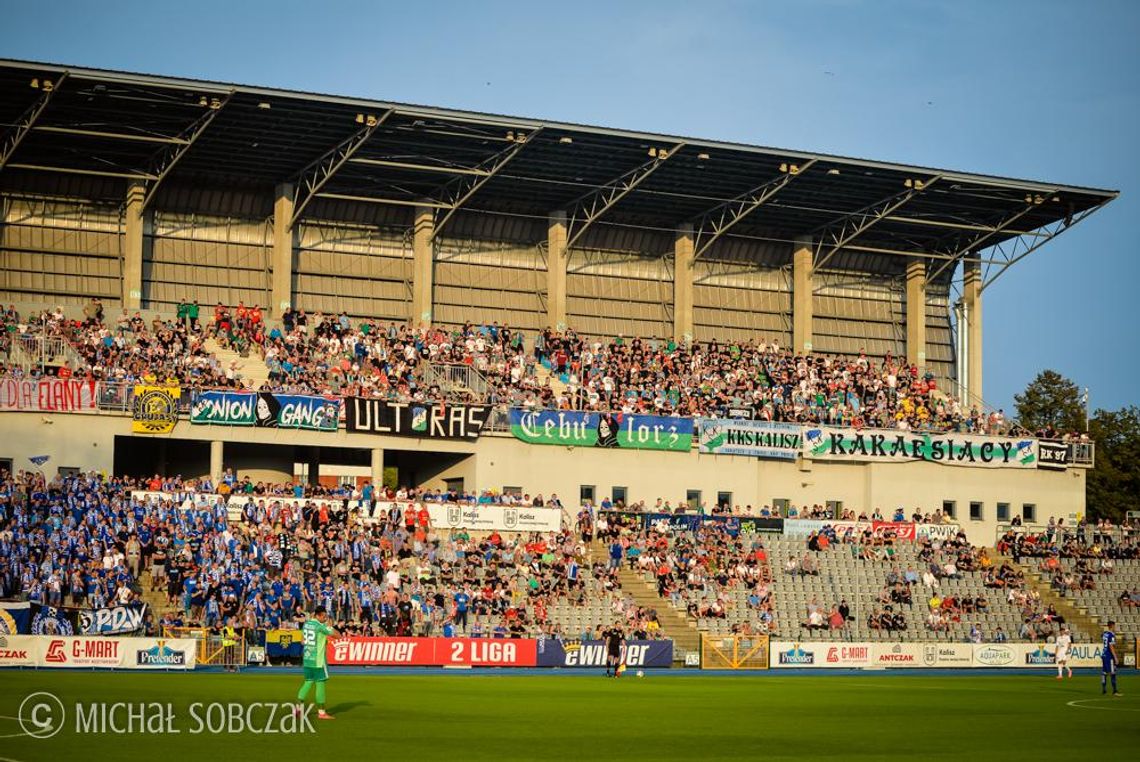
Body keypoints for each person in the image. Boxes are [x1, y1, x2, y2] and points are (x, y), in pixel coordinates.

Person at [296, 606, 338, 719]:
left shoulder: (306, 624)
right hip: (318, 660)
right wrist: (329, 626)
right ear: (317, 615)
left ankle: (298, 708)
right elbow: (337, 636)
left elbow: (302, 641)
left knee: (308, 682)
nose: (325, 618)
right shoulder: (320, 626)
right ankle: (322, 713)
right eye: (323, 616)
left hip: (307, 659)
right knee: (320, 683)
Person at [1101, 620, 1121, 696]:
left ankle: (1104, 690)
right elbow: (1111, 646)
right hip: (1109, 656)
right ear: (1112, 626)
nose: (1115, 627)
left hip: (1104, 654)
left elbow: (1102, 637)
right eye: (1114, 626)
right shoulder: (1111, 635)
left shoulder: (1105, 634)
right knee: (1113, 673)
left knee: (1104, 672)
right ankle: (1115, 691)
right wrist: (1115, 657)